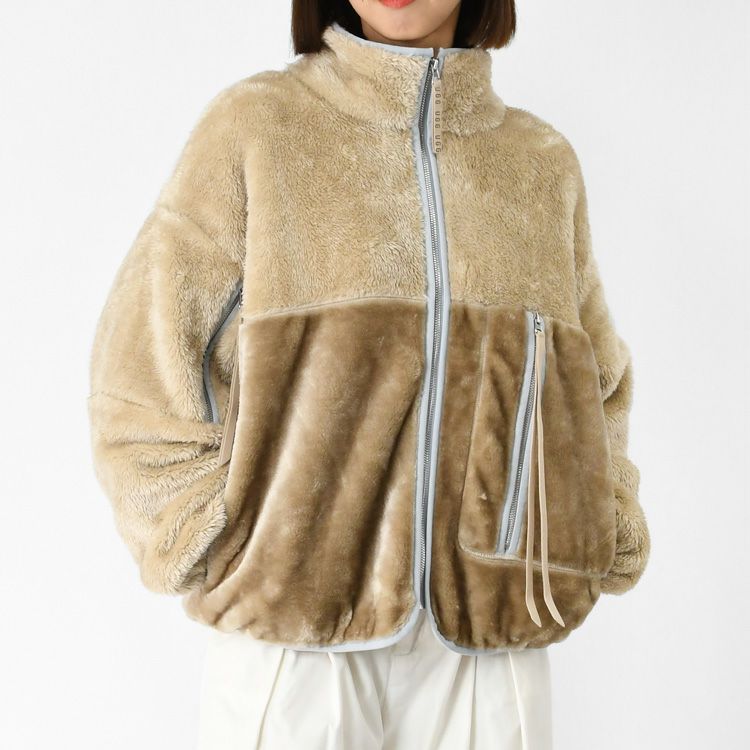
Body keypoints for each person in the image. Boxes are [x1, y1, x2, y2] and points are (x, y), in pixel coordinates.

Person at [87, 1, 650, 748]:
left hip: (493, 634)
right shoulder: (258, 127)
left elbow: (593, 378)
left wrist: (601, 523)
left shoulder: (540, 163)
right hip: (295, 637)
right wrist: (207, 536)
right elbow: (143, 362)